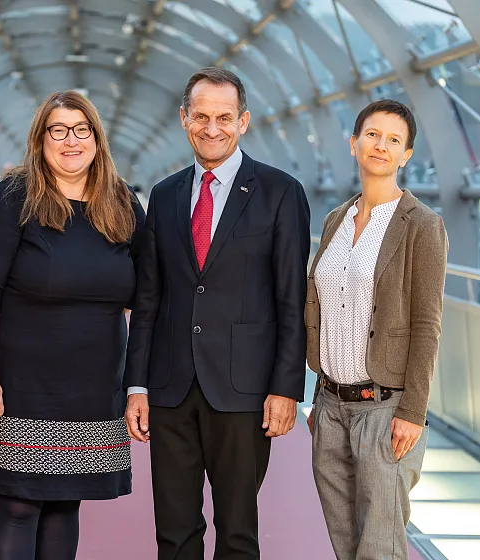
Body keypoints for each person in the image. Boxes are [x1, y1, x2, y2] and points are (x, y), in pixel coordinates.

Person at [124, 67, 311, 559]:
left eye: (224, 117)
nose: (213, 128)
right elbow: (149, 298)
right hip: (170, 388)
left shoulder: (280, 192)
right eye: (201, 117)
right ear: (184, 119)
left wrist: (286, 387)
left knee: (238, 534)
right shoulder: (164, 195)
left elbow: (292, 299)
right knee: (174, 532)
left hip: (244, 390)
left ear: (243, 121)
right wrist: (137, 385)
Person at [0, 90, 145, 560]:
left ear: (97, 140)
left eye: (81, 130)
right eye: (57, 130)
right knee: (20, 504)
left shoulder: (120, 202)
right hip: (23, 385)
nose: (70, 141)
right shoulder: (15, 196)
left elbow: (151, 292)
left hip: (95, 386)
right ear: (40, 140)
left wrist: (138, 384)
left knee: (65, 504)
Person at [306, 100, 448, 560]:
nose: (380, 145)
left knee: (380, 549)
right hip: (329, 406)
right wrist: (317, 398)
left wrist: (414, 411)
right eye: (371, 134)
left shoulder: (421, 226)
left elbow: (427, 324)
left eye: (393, 139)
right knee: (344, 543)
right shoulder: (335, 222)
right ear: (353, 143)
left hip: (386, 410)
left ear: (406, 155)